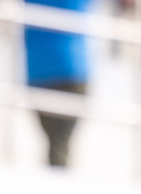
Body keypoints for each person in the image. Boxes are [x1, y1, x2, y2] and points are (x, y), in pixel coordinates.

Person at [25, 0, 92, 168]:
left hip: (38, 70)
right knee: (59, 146)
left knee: (56, 145)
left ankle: (54, 187)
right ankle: (57, 189)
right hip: (73, 68)